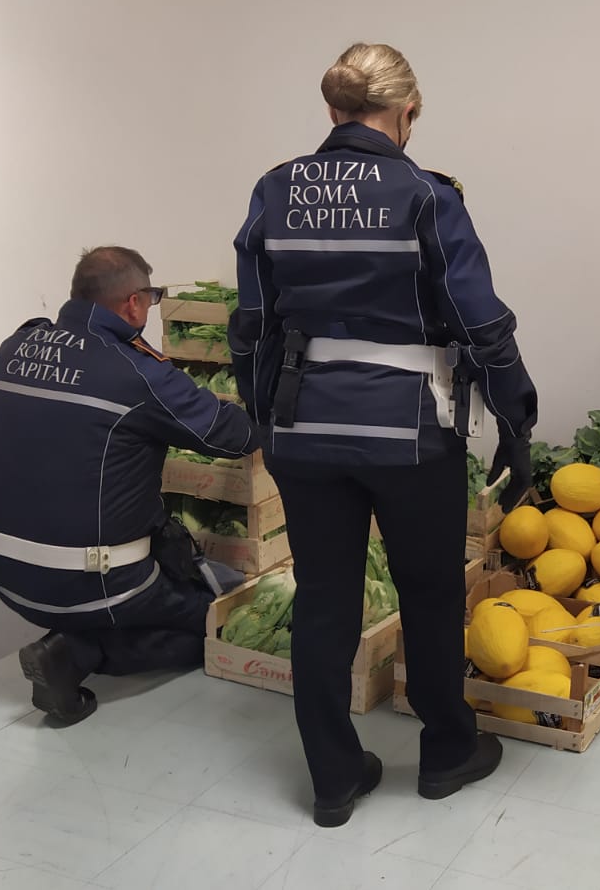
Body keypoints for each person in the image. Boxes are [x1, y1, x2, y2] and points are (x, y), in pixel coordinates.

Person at [230, 42, 537, 827]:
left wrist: (266, 415)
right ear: (408, 113)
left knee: (325, 598)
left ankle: (333, 779)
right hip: (410, 433)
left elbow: (251, 326)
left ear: (331, 110)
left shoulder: (273, 189)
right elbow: (481, 324)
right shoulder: (426, 195)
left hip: (304, 429)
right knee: (431, 593)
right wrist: (516, 418)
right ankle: (446, 752)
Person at [0, 246, 259, 725]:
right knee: (215, 621)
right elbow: (230, 436)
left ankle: (73, 631)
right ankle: (77, 652)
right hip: (94, 579)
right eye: (151, 298)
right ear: (132, 304)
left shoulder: (14, 346)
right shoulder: (136, 372)